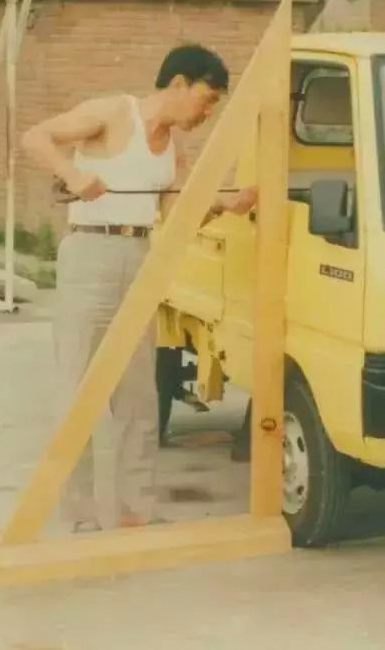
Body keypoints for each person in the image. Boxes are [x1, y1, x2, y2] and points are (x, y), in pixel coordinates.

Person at [21, 44, 258, 532]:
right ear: (178, 84)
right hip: (91, 253)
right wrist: (73, 174)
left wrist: (225, 204)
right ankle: (80, 515)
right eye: (206, 99)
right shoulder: (113, 113)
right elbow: (35, 137)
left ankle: (136, 510)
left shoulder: (174, 151)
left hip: (141, 257)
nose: (207, 113)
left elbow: (177, 219)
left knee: (138, 398)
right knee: (79, 393)